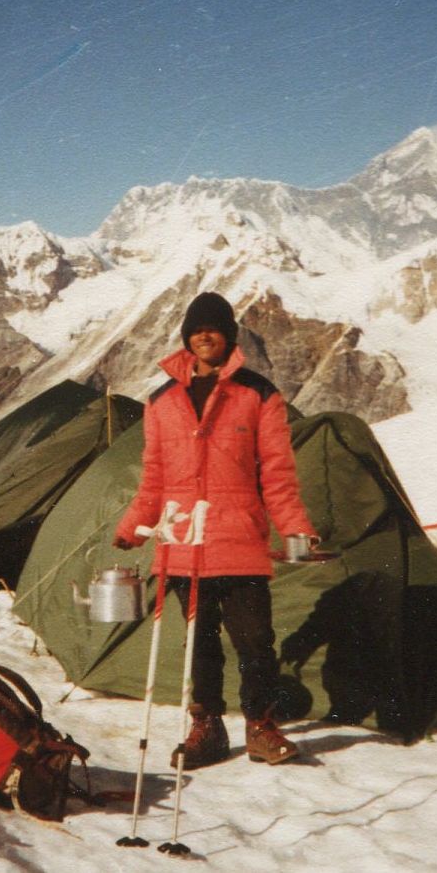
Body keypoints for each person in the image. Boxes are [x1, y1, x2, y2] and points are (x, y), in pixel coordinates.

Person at [112, 292, 318, 767]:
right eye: (195, 329)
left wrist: (296, 529)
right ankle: (207, 727)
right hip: (184, 541)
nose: (204, 336)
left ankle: (261, 726)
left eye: (213, 328)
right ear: (186, 337)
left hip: (238, 538)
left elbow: (279, 473)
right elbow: (154, 477)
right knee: (199, 643)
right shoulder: (161, 401)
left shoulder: (259, 395)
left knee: (254, 641)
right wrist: (134, 528)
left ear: (229, 335)